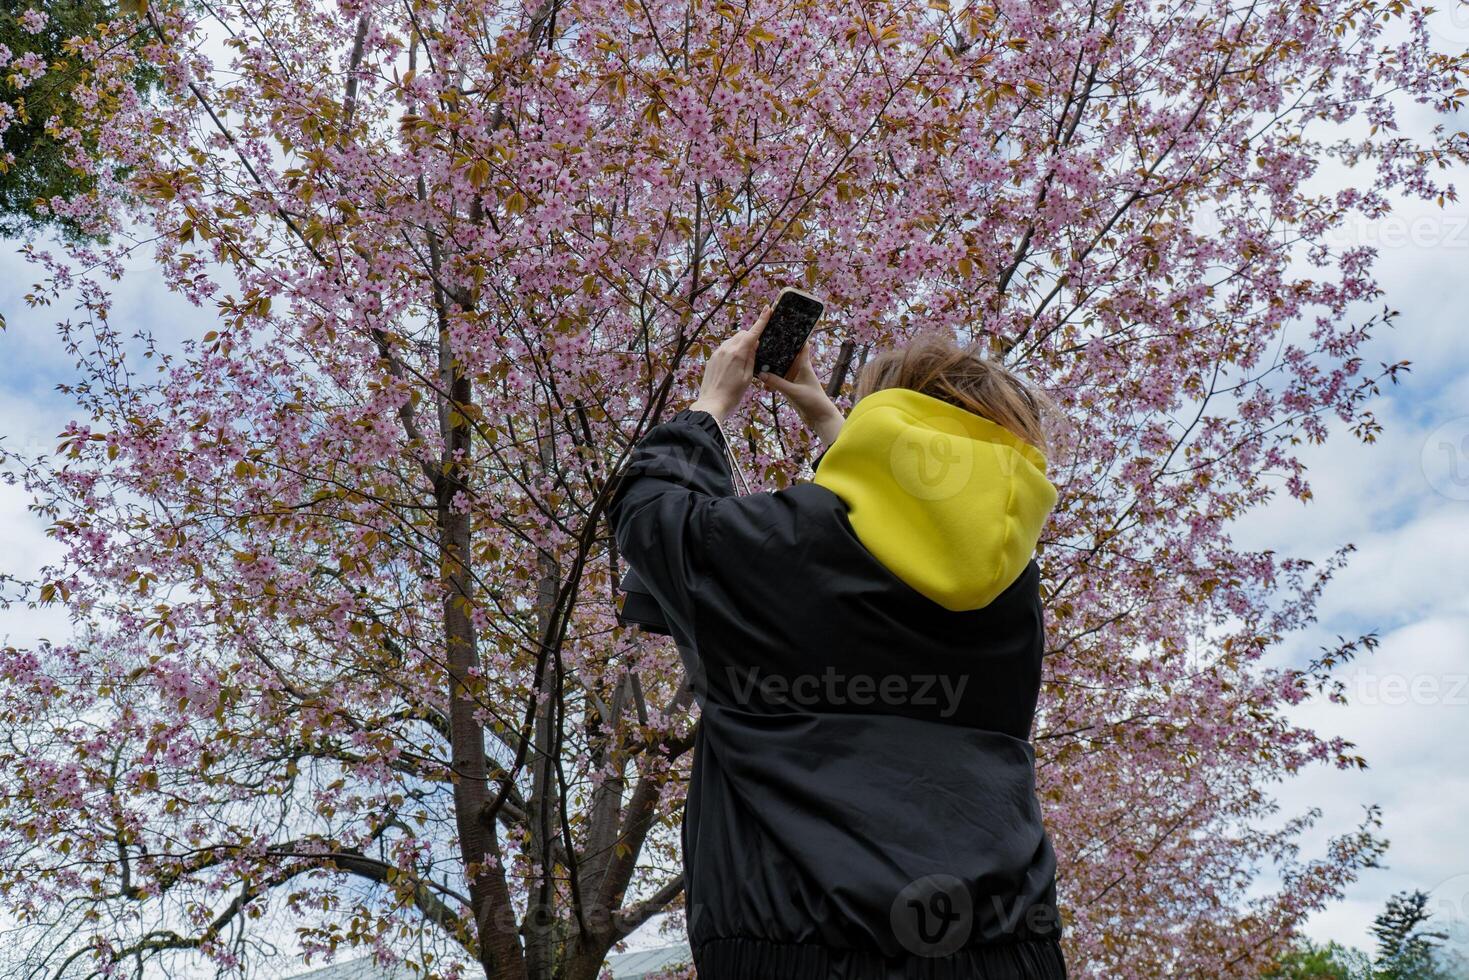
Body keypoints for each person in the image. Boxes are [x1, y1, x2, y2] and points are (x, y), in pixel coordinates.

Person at [607, 302, 1069, 979]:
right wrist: (828, 418)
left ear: (883, 426)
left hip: (798, 942)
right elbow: (915, 513)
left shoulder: (784, 543)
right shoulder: (1008, 582)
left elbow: (651, 516)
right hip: (1003, 941)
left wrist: (709, 405)